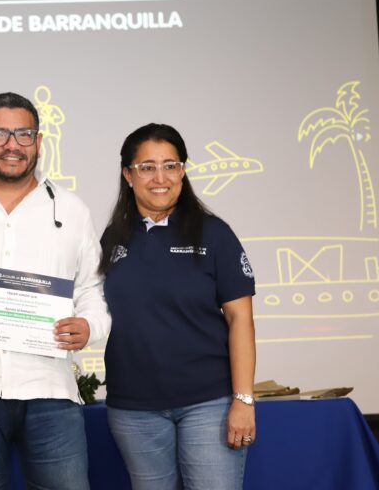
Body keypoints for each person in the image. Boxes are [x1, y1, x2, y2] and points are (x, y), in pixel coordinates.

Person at [0, 92, 111, 490]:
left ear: (39, 141)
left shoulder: (70, 209)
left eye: (24, 134)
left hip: (49, 390)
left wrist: (88, 326)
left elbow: (92, 289)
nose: (12, 145)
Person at [100, 123, 256, 490]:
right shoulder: (112, 239)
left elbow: (241, 321)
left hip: (209, 404)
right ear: (128, 174)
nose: (160, 177)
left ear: (183, 171)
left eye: (170, 165)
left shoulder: (214, 234)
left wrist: (243, 400)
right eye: (147, 167)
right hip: (133, 409)